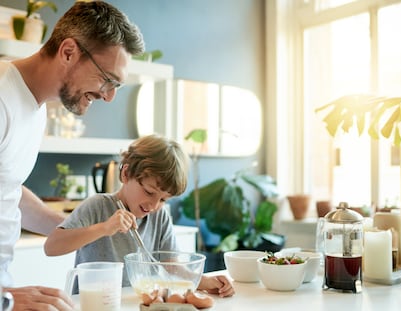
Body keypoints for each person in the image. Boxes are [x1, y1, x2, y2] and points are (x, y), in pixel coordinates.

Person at [0, 1, 145, 310]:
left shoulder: (34, 109)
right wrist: (5, 299)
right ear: (68, 52)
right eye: (108, 80)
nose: (108, 96)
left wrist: (77, 227)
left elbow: (7, 189)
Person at [44, 134, 235, 298]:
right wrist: (104, 228)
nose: (154, 205)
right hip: (96, 303)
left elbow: (172, 267)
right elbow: (52, 246)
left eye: (164, 200)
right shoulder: (98, 206)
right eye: (149, 192)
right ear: (126, 174)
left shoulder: (159, 217)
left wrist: (206, 282)